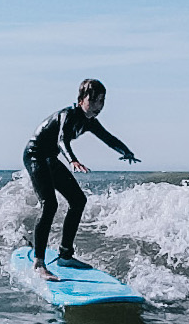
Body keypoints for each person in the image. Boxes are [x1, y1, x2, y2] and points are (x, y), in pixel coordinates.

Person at [23, 79, 139, 280]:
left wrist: (126, 151)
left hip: (49, 158)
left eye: (101, 101)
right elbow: (62, 140)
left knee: (78, 200)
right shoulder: (68, 115)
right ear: (81, 99)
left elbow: (108, 138)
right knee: (49, 204)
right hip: (35, 156)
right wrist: (73, 160)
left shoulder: (89, 122)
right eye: (93, 100)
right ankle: (39, 263)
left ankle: (65, 255)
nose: (98, 106)